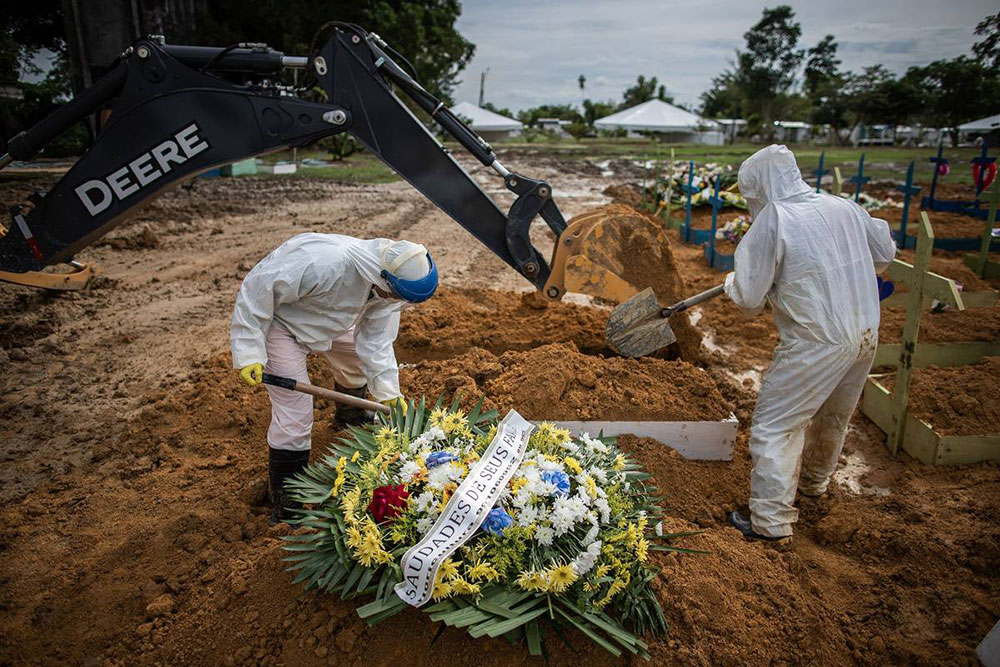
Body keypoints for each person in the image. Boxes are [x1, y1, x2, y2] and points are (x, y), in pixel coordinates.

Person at [725, 145, 896, 544]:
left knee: (774, 426)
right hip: (865, 330)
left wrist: (734, 284)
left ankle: (769, 523)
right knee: (834, 415)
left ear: (760, 187)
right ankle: (814, 485)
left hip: (817, 340)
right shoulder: (844, 206)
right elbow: (884, 252)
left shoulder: (775, 219)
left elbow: (749, 298)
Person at [230, 233, 438, 524]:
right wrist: (249, 349)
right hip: (282, 326)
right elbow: (257, 291)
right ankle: (287, 503)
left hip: (333, 320)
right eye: (398, 296)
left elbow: (375, 341)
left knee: (355, 360)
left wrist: (388, 391)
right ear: (384, 279)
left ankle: (350, 415)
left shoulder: (391, 289)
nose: (399, 303)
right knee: (296, 414)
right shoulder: (323, 262)